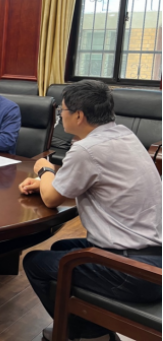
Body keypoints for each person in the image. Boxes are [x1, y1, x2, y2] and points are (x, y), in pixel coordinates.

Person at [19, 80, 162, 341]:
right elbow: (82, 186)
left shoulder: (86, 148)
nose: (60, 117)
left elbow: (51, 199)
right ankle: (88, 327)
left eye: (62, 111)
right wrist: (47, 183)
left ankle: (85, 335)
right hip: (153, 257)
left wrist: (44, 170)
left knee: (35, 263)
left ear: (79, 115)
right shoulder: (123, 135)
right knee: (61, 248)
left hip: (134, 272)